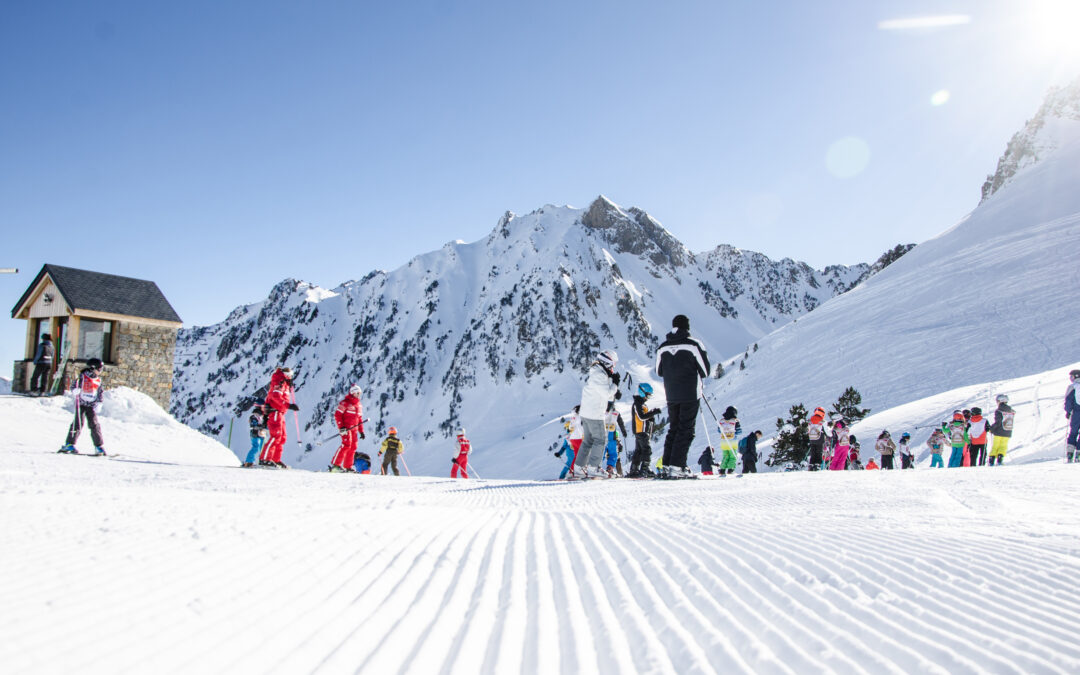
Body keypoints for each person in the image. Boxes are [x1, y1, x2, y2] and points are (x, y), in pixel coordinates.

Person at [655, 314, 710, 477]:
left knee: (673, 428)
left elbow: (659, 371)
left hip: (671, 394)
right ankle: (677, 466)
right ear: (687, 327)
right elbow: (705, 371)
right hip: (690, 393)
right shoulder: (693, 344)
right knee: (685, 430)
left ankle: (666, 465)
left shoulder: (663, 347)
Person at [575, 350, 620, 477]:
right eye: (612, 365)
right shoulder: (599, 375)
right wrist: (615, 384)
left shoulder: (597, 373)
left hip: (587, 412)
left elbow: (607, 395)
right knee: (600, 440)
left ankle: (579, 468)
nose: (612, 369)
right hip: (594, 413)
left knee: (588, 441)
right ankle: (593, 468)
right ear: (607, 363)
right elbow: (607, 393)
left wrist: (613, 386)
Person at [58, 358, 106, 455]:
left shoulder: (98, 380)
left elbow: (100, 392)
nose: (100, 371)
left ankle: (98, 446)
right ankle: (69, 444)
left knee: (95, 425)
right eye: (99, 369)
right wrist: (75, 390)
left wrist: (99, 402)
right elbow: (74, 386)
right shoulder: (82, 377)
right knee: (78, 424)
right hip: (81, 404)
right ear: (92, 368)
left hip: (91, 405)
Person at [260, 367, 298, 468]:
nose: (291, 377)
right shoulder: (279, 381)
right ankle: (265, 459)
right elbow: (275, 397)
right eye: (290, 375)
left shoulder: (284, 383)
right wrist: (288, 405)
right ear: (286, 374)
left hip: (280, 413)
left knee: (282, 437)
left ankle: (275, 459)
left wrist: (288, 385)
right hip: (275, 411)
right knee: (276, 436)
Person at [628, 384, 661, 477]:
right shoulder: (637, 404)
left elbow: (645, 417)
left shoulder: (642, 404)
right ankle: (645, 469)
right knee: (647, 450)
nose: (648, 398)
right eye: (648, 395)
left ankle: (634, 470)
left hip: (642, 430)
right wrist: (653, 412)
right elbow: (641, 417)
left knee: (638, 451)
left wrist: (650, 417)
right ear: (642, 393)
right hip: (640, 430)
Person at [330, 384, 365, 472]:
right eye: (357, 393)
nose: (359, 395)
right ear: (353, 393)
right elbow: (338, 415)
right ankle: (335, 465)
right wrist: (341, 427)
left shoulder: (359, 405)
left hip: (354, 429)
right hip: (346, 428)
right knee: (346, 445)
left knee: (353, 447)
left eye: (359, 393)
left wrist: (361, 431)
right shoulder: (345, 403)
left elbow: (359, 419)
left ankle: (348, 466)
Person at [555, 406, 582, 479]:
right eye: (567, 428)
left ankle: (572, 474)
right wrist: (559, 453)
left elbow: (564, 447)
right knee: (570, 464)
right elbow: (564, 446)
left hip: (573, 452)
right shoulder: (568, 437)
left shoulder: (571, 435)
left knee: (572, 464)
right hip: (571, 453)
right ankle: (563, 477)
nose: (568, 429)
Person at [987, 394, 1015, 466]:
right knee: (1003, 446)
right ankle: (1000, 460)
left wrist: (991, 429)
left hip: (998, 432)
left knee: (995, 446)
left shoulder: (998, 411)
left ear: (1000, 401)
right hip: (1007, 431)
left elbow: (998, 422)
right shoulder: (1010, 410)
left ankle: (991, 461)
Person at [716, 406, 741, 476]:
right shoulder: (735, 421)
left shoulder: (722, 421)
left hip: (724, 441)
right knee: (733, 456)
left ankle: (722, 470)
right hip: (732, 441)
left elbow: (719, 431)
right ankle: (730, 469)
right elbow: (739, 431)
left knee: (725, 456)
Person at [242, 401, 268, 467]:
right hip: (255, 434)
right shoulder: (254, 416)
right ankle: (249, 461)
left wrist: (266, 426)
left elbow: (266, 425)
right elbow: (254, 425)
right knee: (256, 447)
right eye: (263, 407)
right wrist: (262, 426)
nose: (264, 408)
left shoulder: (263, 416)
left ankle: (262, 460)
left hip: (262, 434)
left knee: (263, 448)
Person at [603, 402, 624, 478]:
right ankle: (610, 469)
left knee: (602, 453)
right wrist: (623, 431)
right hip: (611, 436)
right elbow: (620, 422)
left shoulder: (602, 412)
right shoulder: (615, 413)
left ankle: (596, 467)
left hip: (604, 435)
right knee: (613, 453)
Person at [1065, 370, 1080, 463]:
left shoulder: (1072, 387)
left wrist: (1068, 411)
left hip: (1076, 414)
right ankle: (1079, 454)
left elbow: (1068, 401)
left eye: (1071, 377)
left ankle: (1070, 454)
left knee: (1073, 433)